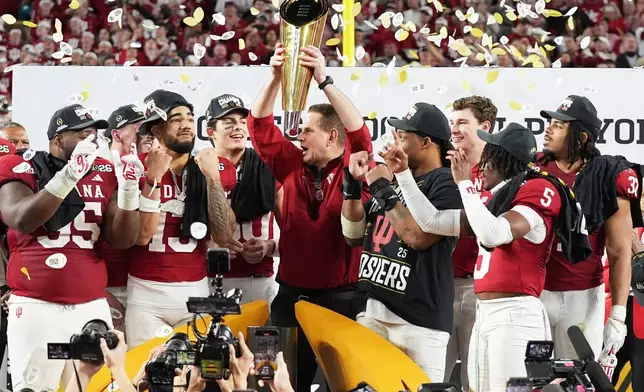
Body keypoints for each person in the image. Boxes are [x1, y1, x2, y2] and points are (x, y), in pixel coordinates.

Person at [248, 43, 373, 391]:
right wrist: (274, 78)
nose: (298, 137)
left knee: (348, 384)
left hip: (343, 301)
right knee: (269, 380)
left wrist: (323, 78)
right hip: (288, 298)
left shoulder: (355, 165)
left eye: (307, 131)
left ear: (332, 136)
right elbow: (258, 126)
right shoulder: (291, 163)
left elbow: (360, 132)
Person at [0, 104, 141, 391]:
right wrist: (68, 176)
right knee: (36, 388)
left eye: (95, 135)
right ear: (57, 140)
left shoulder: (104, 170)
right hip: (36, 305)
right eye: (82, 134)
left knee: (91, 388)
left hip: (90, 305)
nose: (91, 142)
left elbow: (122, 239)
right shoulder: (24, 166)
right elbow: (21, 218)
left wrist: (128, 189)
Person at [341, 102, 461, 381]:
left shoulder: (446, 182)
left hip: (419, 319)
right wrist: (352, 185)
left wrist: (382, 187)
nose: (394, 142)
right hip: (373, 309)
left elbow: (417, 237)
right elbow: (352, 235)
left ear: (428, 142)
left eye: (403, 137)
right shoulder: (394, 179)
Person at [125, 90, 235, 347]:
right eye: (176, 119)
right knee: (146, 376)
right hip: (145, 291)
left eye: (189, 117)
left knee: (193, 378)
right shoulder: (136, 167)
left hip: (196, 289)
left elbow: (224, 235)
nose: (186, 124)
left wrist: (213, 180)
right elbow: (139, 236)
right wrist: (152, 178)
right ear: (156, 130)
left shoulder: (213, 166)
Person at [536, 95, 643, 360]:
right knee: (528, 379)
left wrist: (618, 314)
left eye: (559, 125)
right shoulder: (534, 167)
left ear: (581, 137)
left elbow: (619, 250)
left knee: (577, 381)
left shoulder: (608, 175)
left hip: (582, 297)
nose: (548, 129)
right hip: (534, 295)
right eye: (550, 122)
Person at [205, 93, 281, 304]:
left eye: (242, 122)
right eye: (228, 123)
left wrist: (269, 247)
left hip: (260, 280)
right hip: (208, 280)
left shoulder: (270, 166)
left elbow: (294, 230)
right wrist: (205, 248)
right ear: (210, 132)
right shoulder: (197, 168)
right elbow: (181, 228)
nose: (238, 128)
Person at [445, 95, 498, 389]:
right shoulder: (441, 165)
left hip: (479, 290)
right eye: (452, 122)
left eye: (462, 122)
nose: (454, 129)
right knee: (432, 375)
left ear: (485, 126)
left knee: (476, 379)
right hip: (440, 284)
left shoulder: (500, 173)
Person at [98, 104, 147, 332]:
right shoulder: (93, 173)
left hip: (147, 286)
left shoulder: (153, 170)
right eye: (139, 129)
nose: (147, 135)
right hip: (107, 286)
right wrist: (100, 291)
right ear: (116, 134)